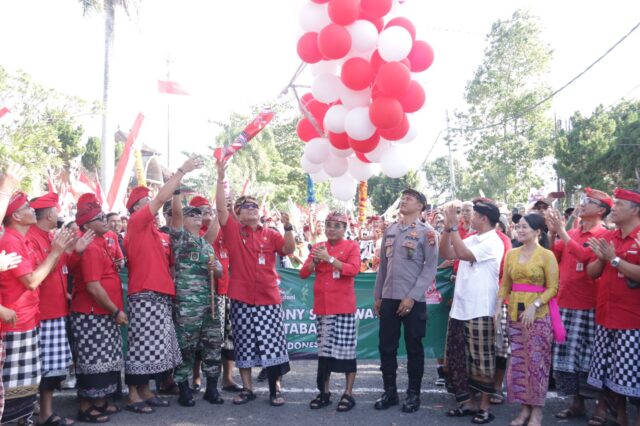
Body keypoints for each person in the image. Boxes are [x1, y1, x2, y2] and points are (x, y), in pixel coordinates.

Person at [123, 156, 203, 413]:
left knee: (154, 348)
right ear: (136, 209)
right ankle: (133, 395)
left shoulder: (158, 234)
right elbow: (160, 200)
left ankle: (145, 390)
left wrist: (178, 185)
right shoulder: (136, 224)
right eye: (146, 203)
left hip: (159, 295)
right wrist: (181, 171)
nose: (153, 208)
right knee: (142, 346)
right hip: (144, 295)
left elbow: (175, 216)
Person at [215, 158, 295, 407]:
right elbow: (219, 210)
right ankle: (247, 389)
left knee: (272, 347)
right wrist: (219, 178)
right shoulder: (232, 231)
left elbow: (289, 250)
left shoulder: (270, 233)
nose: (251, 208)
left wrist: (288, 226)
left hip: (268, 299)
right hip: (241, 299)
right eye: (245, 206)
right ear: (237, 214)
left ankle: (275, 389)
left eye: (254, 206)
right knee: (245, 346)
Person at [0, 192, 74, 425]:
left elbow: (41, 275)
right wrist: (55, 252)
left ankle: (26, 420)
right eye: (26, 207)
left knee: (27, 382)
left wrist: (61, 251)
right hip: (15, 321)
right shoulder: (11, 240)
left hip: (28, 317)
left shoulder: (20, 239)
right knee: (13, 384)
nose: (32, 209)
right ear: (16, 216)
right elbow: (32, 281)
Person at [546, 188, 612, 423]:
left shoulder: (604, 235)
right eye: (583, 200)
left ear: (601, 210)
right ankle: (576, 403)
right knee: (567, 358)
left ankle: (601, 407)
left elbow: (586, 258)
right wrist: (554, 233)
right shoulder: (572, 231)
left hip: (590, 306)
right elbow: (555, 257)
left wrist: (562, 233)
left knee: (592, 359)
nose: (582, 204)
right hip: (565, 302)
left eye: (588, 202)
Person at [28, 192, 92, 426]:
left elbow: (65, 269)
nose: (59, 214)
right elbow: (36, 275)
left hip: (56, 310)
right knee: (44, 369)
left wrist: (76, 251)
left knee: (53, 368)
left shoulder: (49, 236)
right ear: (47, 215)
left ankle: (44, 411)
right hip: (43, 312)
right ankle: (42, 412)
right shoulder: (33, 238)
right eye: (56, 210)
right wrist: (59, 251)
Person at [373, 188, 438, 413]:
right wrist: (378, 295)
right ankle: (390, 391)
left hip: (413, 299)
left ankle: (413, 394)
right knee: (386, 347)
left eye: (409, 199)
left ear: (420, 206)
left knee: (414, 348)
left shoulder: (427, 233)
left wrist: (412, 297)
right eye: (403, 198)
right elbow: (383, 265)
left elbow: (430, 269)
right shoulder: (391, 230)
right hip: (389, 298)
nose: (404, 200)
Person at [440, 199, 504, 424]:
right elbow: (447, 253)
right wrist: (448, 229)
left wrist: (452, 227)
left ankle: (485, 407)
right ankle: (467, 403)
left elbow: (464, 254)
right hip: (460, 308)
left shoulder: (493, 241)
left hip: (480, 309)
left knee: (482, 360)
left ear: (484, 218)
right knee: (458, 359)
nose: (469, 217)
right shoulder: (471, 237)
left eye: (473, 215)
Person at [496, 213, 560, 426]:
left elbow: (553, 288)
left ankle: (537, 412)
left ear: (537, 231)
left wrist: (535, 305)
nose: (519, 230)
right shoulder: (512, 254)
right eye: (518, 227)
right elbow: (505, 284)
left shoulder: (546, 255)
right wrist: (498, 306)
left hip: (539, 316)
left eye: (524, 227)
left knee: (537, 363)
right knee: (519, 363)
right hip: (515, 314)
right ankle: (524, 408)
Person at [70, 193, 127, 423]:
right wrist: (115, 311)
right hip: (92, 314)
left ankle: (101, 402)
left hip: (102, 313)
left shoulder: (102, 243)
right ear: (88, 225)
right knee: (92, 362)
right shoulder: (91, 248)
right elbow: (93, 287)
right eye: (100, 218)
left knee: (106, 360)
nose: (107, 220)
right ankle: (85, 407)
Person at [586, 188, 640, 426]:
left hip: (632, 320)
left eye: (619, 204)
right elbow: (592, 273)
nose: (614, 208)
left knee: (634, 376)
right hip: (606, 315)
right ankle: (618, 415)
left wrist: (614, 260)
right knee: (610, 372)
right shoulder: (608, 237)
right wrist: (601, 258)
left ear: (635, 210)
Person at [300, 211, 361, 412]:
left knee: (346, 352)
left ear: (345, 229)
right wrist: (315, 261)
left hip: (343, 308)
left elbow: (353, 269)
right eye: (328, 225)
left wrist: (331, 259)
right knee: (324, 353)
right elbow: (303, 273)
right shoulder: (318, 247)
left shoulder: (352, 246)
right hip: (323, 309)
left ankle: (348, 393)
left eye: (337, 226)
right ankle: (324, 392)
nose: (331, 229)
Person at [169, 197, 225, 407]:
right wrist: (176, 191)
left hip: (209, 303)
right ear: (183, 220)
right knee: (186, 347)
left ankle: (211, 389)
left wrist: (216, 270)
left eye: (199, 214)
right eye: (191, 214)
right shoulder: (180, 238)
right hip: (187, 305)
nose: (196, 216)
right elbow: (175, 216)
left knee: (212, 346)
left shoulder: (206, 245)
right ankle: (184, 389)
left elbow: (219, 271)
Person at [190, 195, 242, 393]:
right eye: (202, 211)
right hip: (204, 294)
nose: (207, 214)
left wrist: (229, 213)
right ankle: (196, 378)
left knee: (228, 337)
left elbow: (238, 234)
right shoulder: (195, 233)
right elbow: (207, 241)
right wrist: (220, 217)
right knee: (200, 339)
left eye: (209, 210)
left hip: (226, 291)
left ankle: (228, 379)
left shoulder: (220, 227)